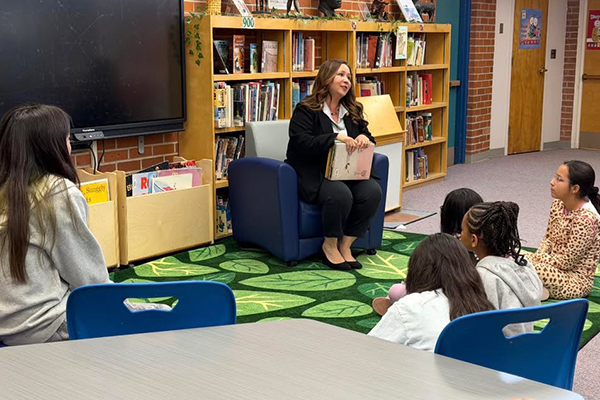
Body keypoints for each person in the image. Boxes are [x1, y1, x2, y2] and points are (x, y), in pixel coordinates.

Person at [0, 104, 110, 345]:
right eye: (67, 139)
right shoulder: (57, 194)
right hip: (45, 328)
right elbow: (89, 279)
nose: (70, 146)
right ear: (51, 148)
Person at [286, 59, 382, 271]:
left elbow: (367, 135)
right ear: (327, 78)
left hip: (348, 171)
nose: (346, 80)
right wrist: (335, 137)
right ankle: (329, 246)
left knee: (372, 191)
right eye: (341, 75)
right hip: (316, 172)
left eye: (348, 77)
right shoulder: (306, 109)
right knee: (340, 194)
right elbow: (300, 142)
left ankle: (345, 245)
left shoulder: (353, 110)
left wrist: (365, 139)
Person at [368, 233, 494, 352]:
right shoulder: (483, 305)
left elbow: (369, 348)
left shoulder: (411, 305)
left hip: (431, 373)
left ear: (418, 270)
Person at [372, 188, 483, 315]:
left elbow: (420, 276)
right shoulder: (482, 243)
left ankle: (394, 304)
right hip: (469, 299)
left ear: (446, 216)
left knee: (396, 291)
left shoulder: (440, 245)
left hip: (437, 296)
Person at [460, 201, 543, 336]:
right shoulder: (524, 265)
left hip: (499, 352)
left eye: (462, 230)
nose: (459, 235)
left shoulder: (483, 277)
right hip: (526, 347)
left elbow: (481, 327)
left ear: (474, 240)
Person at [528, 160, 600, 300]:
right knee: (512, 256)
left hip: (573, 280)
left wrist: (534, 261)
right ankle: (538, 289)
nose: (552, 182)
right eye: (555, 177)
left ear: (575, 189)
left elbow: (566, 262)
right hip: (550, 266)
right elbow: (548, 238)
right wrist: (536, 257)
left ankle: (535, 288)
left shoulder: (586, 219)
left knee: (528, 266)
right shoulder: (557, 204)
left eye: (559, 179)